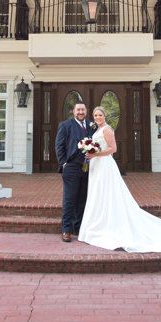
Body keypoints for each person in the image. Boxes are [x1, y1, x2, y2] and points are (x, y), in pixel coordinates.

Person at [78, 106, 161, 253]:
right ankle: (99, 223)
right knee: (98, 193)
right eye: (95, 115)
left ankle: (107, 225)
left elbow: (113, 149)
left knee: (107, 193)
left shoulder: (106, 129)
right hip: (97, 165)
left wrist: (96, 154)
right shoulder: (97, 129)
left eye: (100, 115)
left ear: (105, 116)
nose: (97, 117)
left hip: (104, 165)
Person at [54, 100, 97, 243]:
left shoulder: (92, 125)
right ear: (73, 111)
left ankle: (78, 228)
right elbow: (59, 146)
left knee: (82, 199)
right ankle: (66, 229)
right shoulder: (65, 125)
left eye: (83, 110)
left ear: (86, 111)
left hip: (88, 168)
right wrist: (64, 163)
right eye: (78, 110)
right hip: (72, 167)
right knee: (69, 199)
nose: (80, 112)